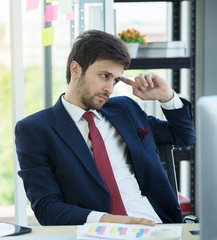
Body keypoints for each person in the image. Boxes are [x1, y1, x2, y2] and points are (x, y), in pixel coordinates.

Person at [14, 30, 196, 226]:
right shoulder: (36, 129)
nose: (110, 88)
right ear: (75, 69)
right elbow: (47, 208)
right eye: (104, 76)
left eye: (115, 80)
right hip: (97, 231)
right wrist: (107, 221)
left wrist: (167, 96)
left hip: (157, 226)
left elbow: (184, 137)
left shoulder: (125, 109)